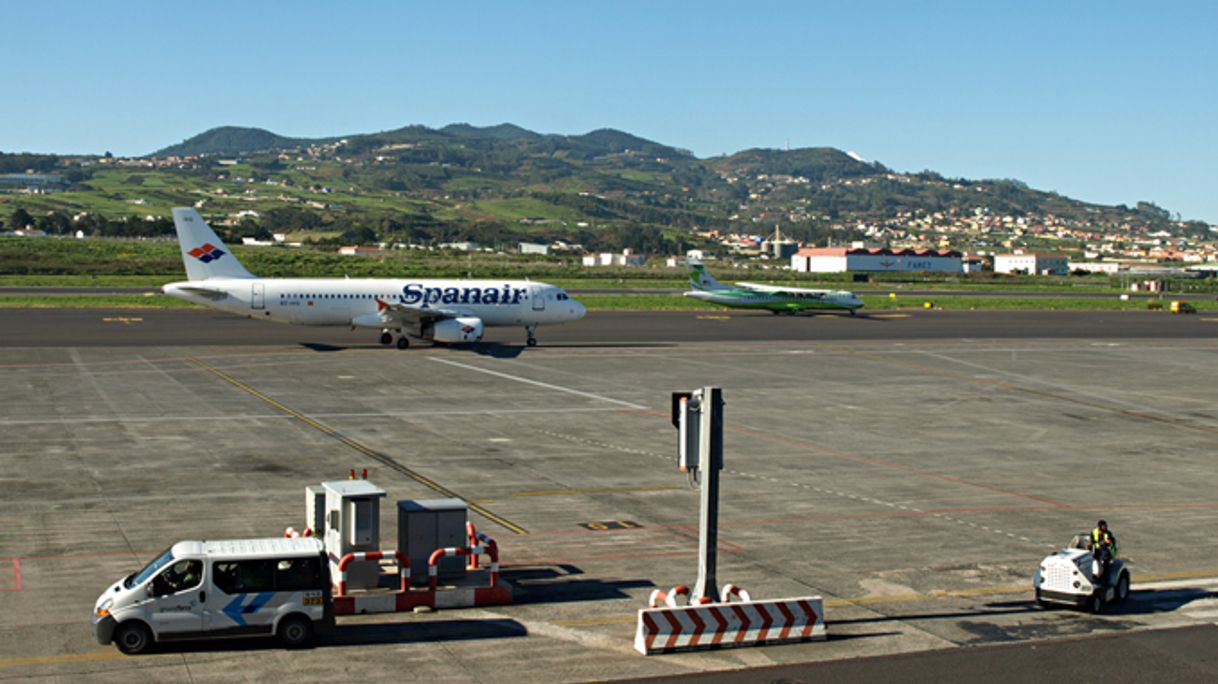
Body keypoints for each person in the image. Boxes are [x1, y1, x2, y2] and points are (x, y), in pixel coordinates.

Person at [1088, 519, 1117, 585]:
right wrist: (1090, 546)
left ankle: (1105, 580)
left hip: (1105, 551)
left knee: (1106, 565)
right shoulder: (1094, 532)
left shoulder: (1108, 533)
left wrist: (1106, 542)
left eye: (1106, 526)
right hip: (1096, 550)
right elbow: (1091, 541)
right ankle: (1096, 577)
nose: (1106, 528)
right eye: (1104, 526)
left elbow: (1110, 542)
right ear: (1100, 527)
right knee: (1096, 565)